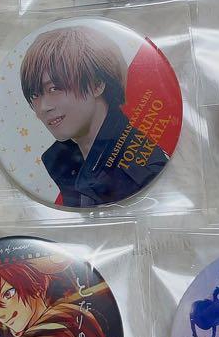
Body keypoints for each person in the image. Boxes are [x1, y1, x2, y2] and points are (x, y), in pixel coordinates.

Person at [19, 25, 168, 206]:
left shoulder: (143, 168)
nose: (43, 107)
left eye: (54, 88)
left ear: (97, 85)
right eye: (35, 95)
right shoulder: (62, 163)